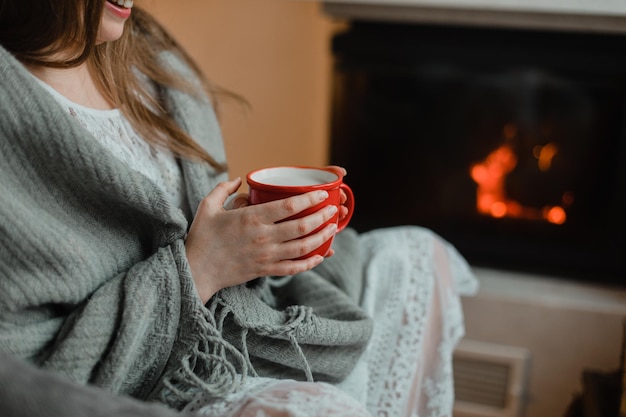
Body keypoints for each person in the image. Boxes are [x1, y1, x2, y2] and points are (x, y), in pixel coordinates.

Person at [0, 1, 478, 416]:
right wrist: (202, 266)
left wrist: (255, 240)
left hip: (240, 305)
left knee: (420, 251)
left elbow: (198, 203)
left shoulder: (146, 53)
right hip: (172, 367)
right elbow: (33, 375)